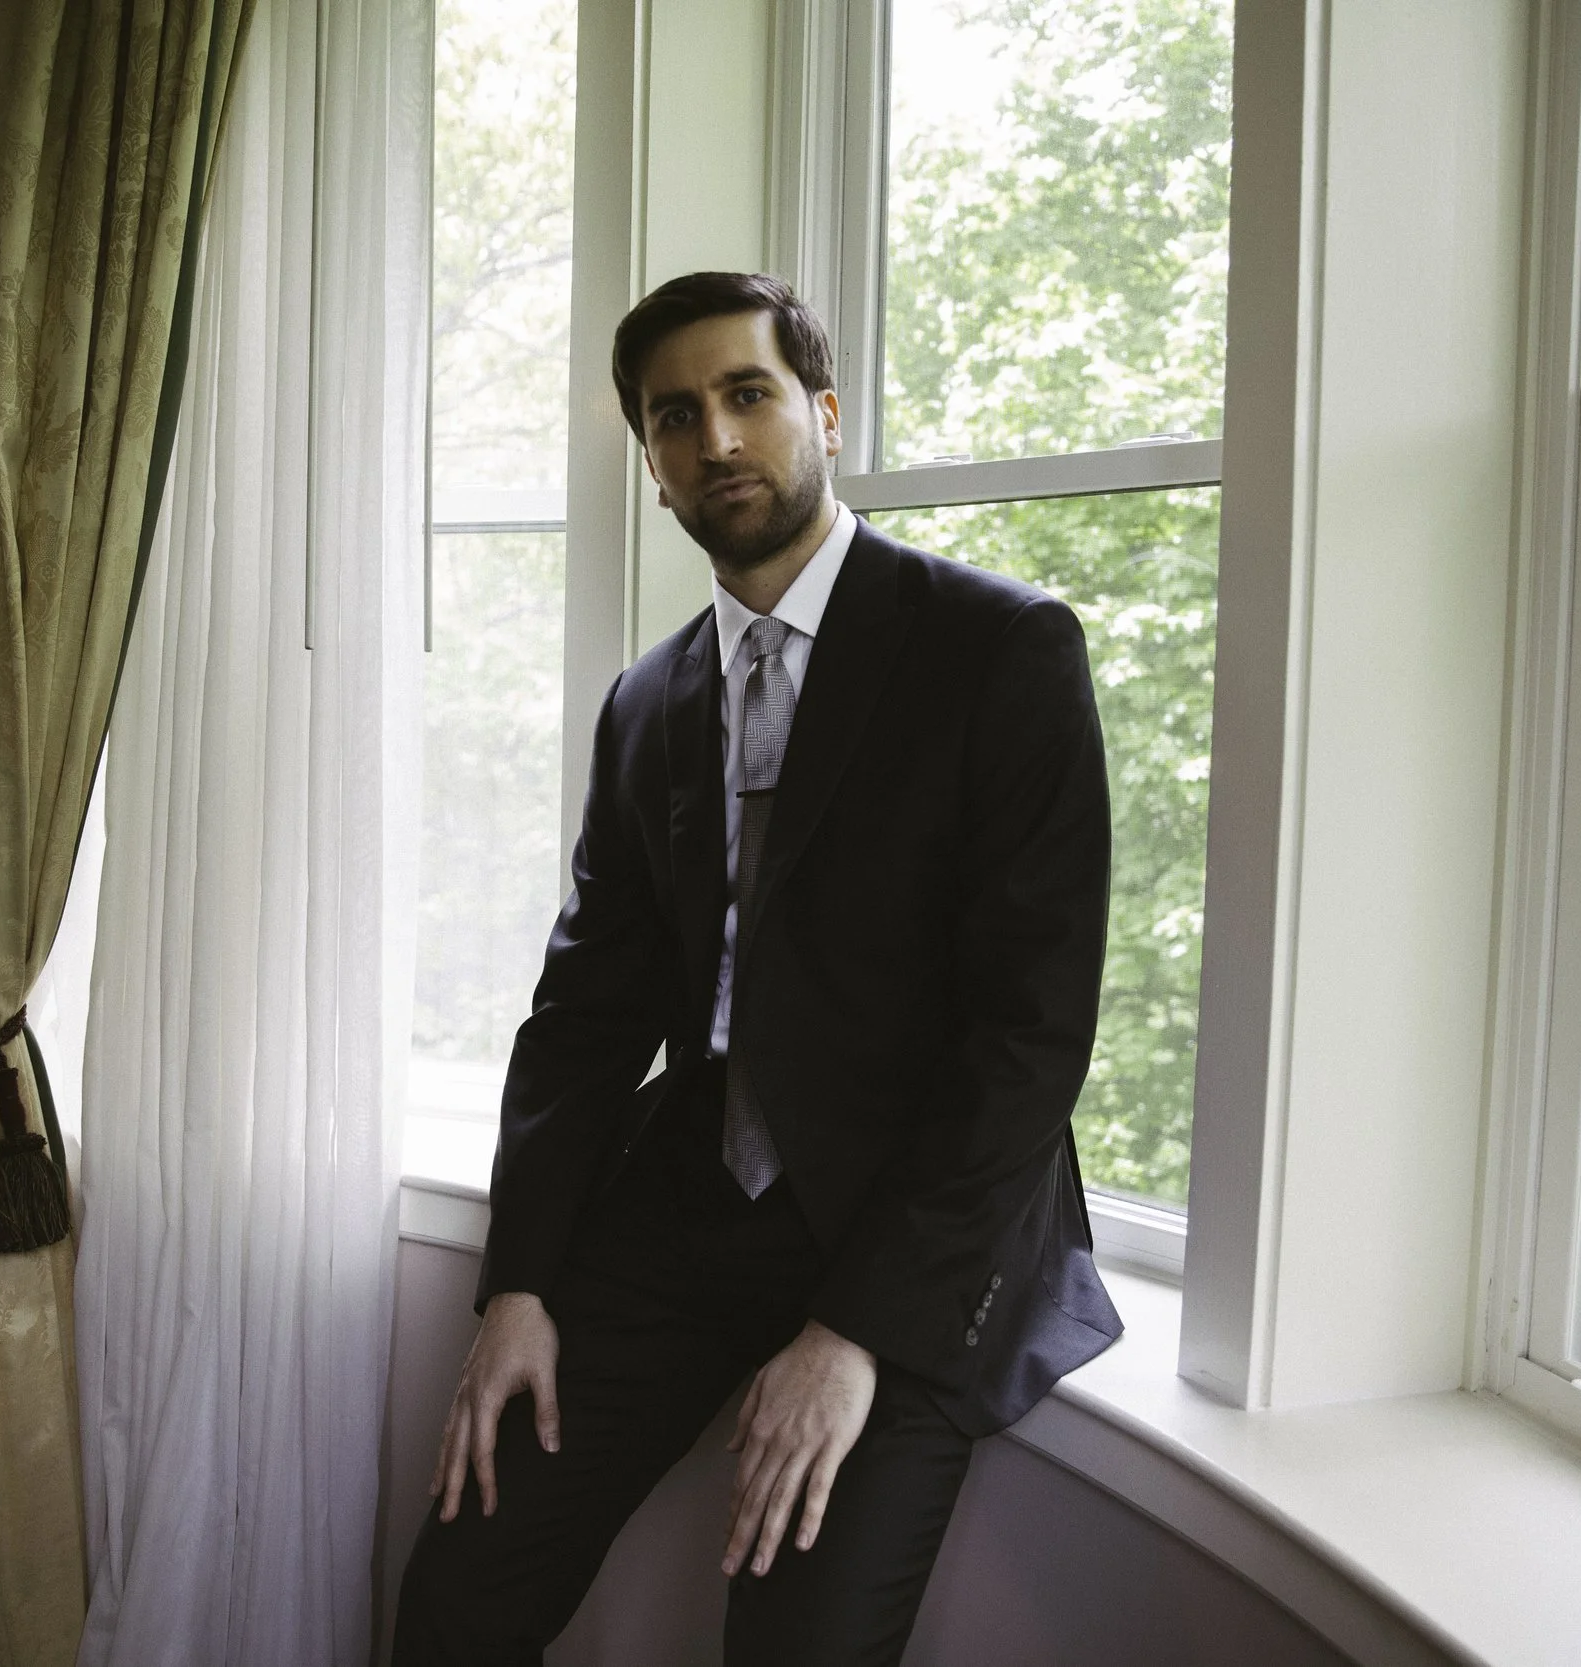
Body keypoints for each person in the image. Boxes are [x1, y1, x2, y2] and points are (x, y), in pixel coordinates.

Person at [393, 271, 1123, 1666]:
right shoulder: (649, 702)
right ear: (653, 465)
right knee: (460, 1583)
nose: (716, 439)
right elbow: (586, 1013)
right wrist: (519, 1284)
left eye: (747, 395)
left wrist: (858, 1330)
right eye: (677, 416)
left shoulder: (999, 649)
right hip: (690, 1202)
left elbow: (1028, 1036)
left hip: (911, 1232)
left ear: (824, 413)